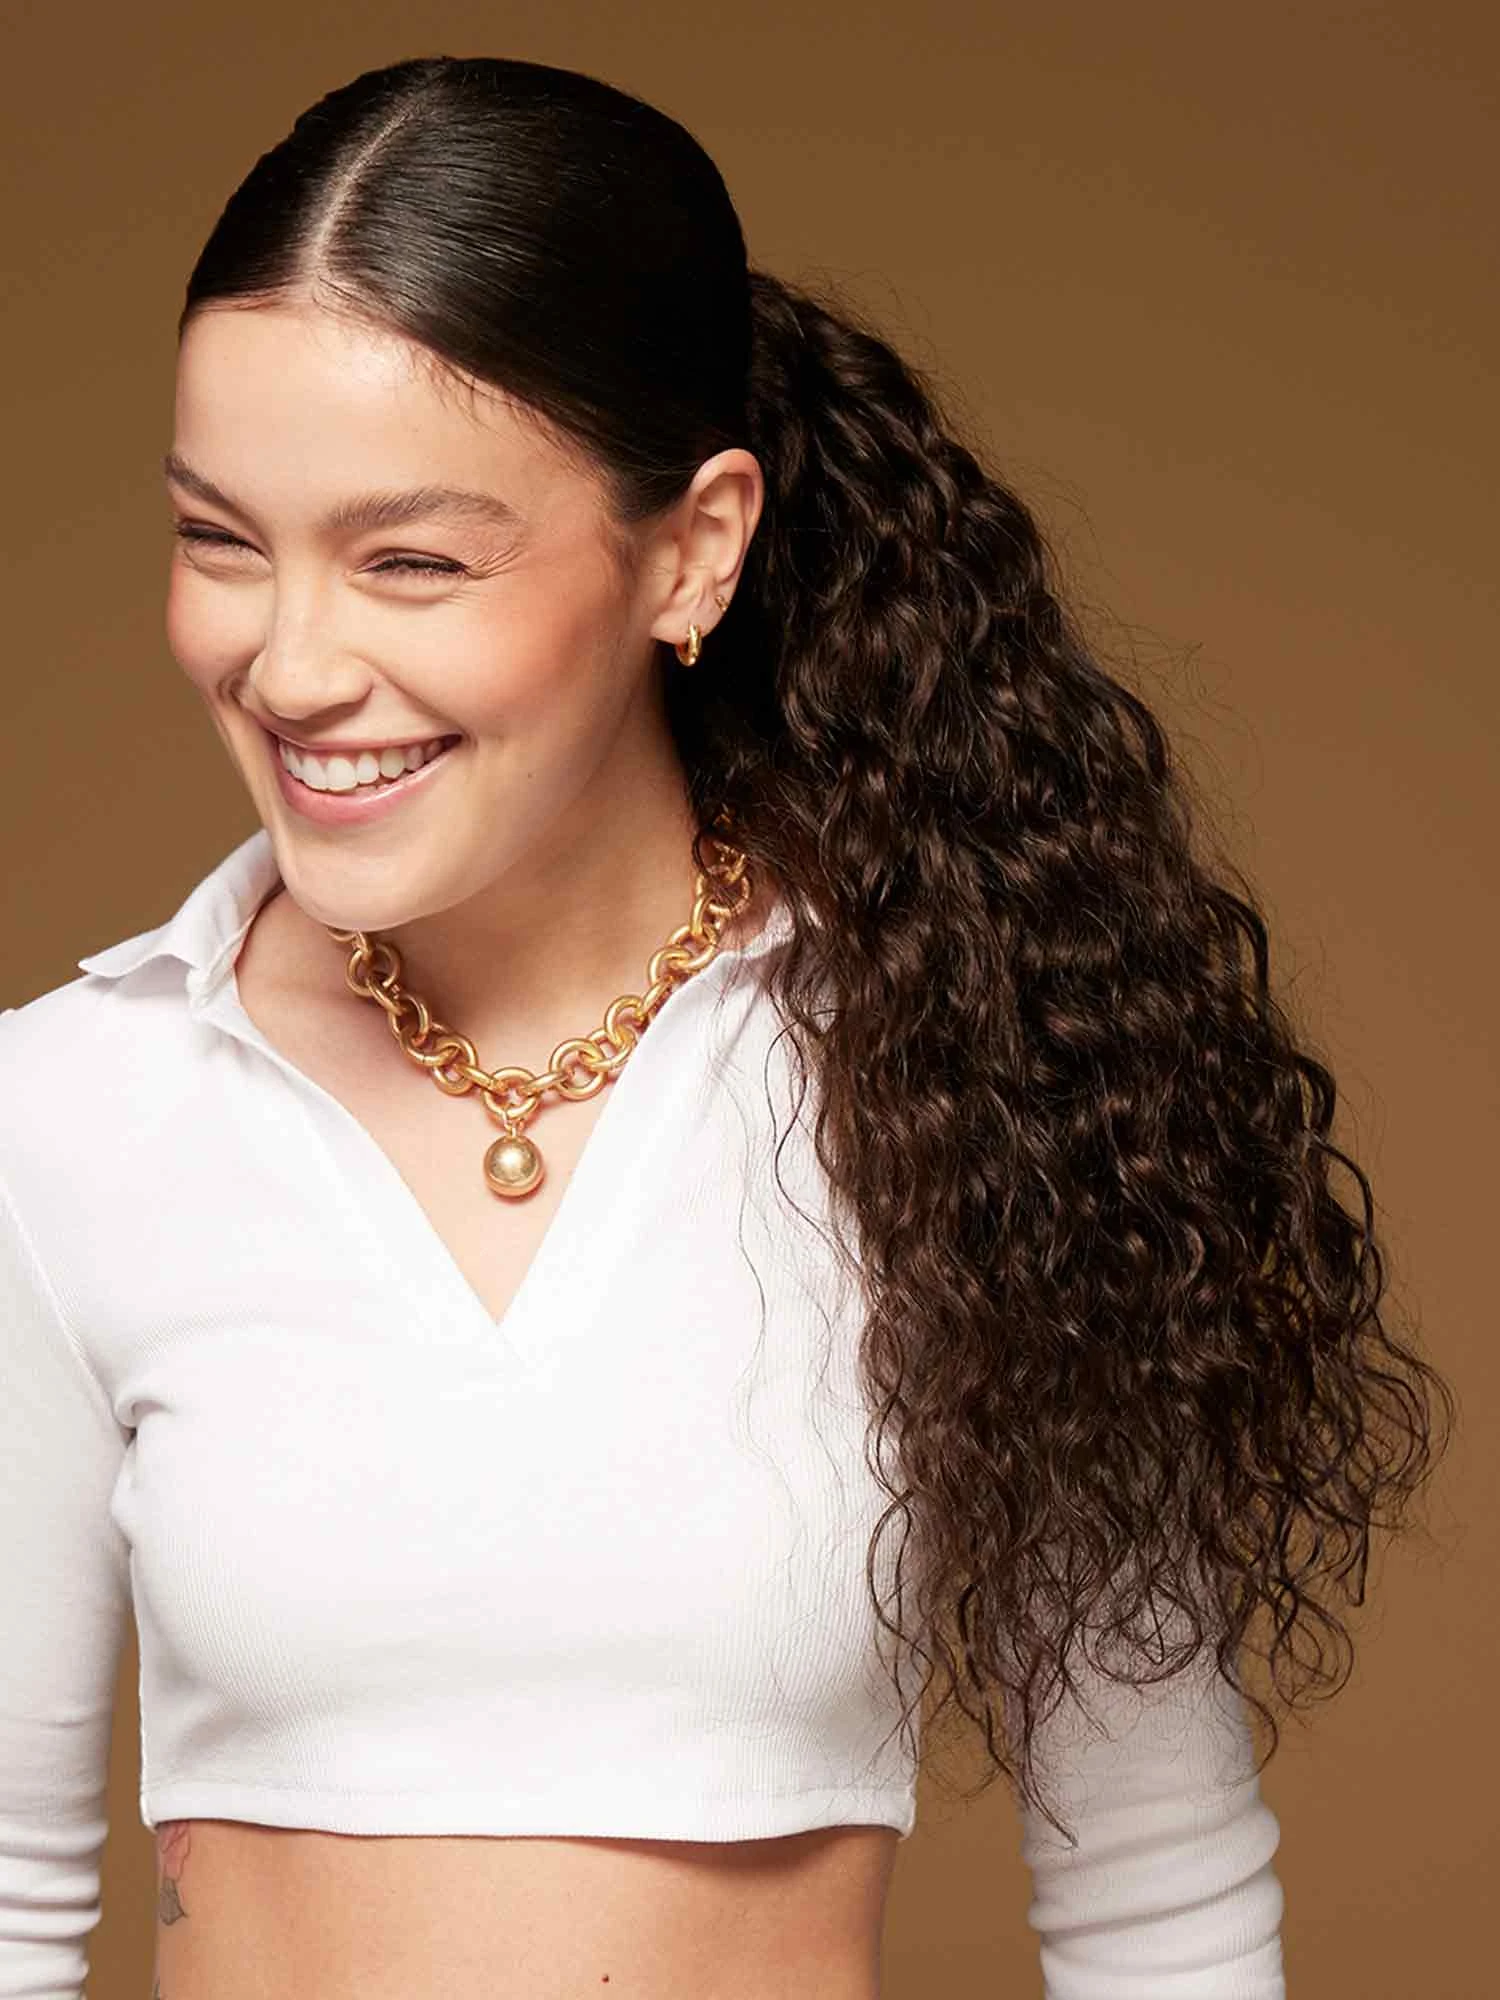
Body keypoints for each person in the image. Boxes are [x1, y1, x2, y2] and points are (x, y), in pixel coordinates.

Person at [0, 53, 1452, 2000]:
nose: (291, 661)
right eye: (220, 539)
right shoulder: (69, 1114)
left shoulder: (972, 1081)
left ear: (691, 548)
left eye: (411, 559)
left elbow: (1159, 1909)